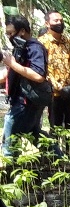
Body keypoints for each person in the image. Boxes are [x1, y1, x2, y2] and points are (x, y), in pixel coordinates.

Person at [2, 15, 49, 157]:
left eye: (11, 33)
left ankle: (8, 165)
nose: (9, 37)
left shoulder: (35, 48)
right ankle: (59, 161)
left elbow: (38, 76)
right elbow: (11, 72)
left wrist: (13, 64)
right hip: (21, 99)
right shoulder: (21, 47)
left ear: (22, 31)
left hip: (27, 101)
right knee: (35, 134)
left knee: (10, 130)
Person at [40, 10, 70, 129]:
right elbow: (43, 69)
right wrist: (59, 88)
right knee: (55, 128)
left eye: (61, 20)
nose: (59, 23)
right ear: (47, 23)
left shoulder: (69, 41)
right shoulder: (42, 43)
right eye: (56, 21)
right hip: (54, 94)